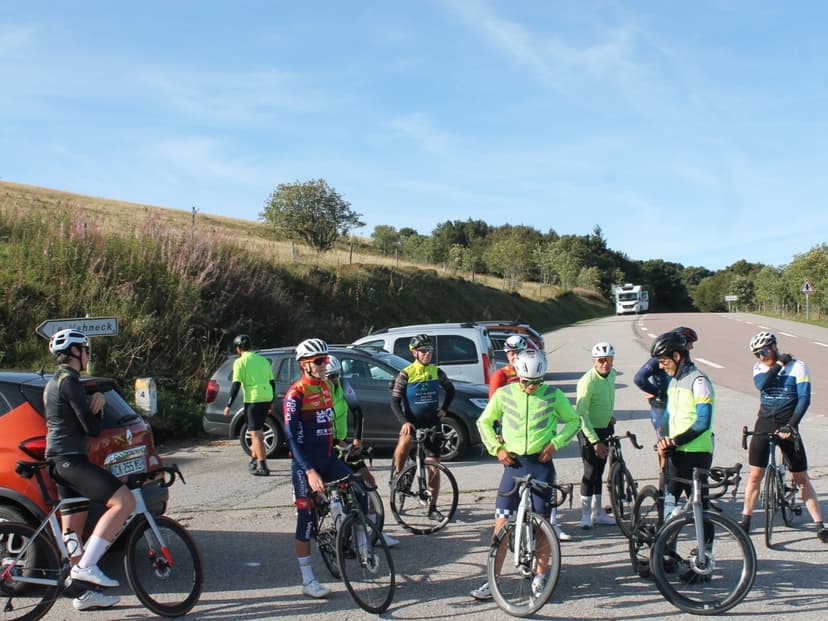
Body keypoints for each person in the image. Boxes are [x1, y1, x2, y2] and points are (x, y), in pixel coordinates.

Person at [470, 349, 579, 601]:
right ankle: (492, 580)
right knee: (500, 526)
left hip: (541, 464)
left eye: (537, 381)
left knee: (544, 524)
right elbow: (484, 422)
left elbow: (574, 421)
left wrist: (556, 444)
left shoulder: (554, 395)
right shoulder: (504, 394)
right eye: (526, 381)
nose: (532, 386)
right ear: (518, 376)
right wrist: (497, 449)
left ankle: (540, 577)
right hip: (514, 464)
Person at [44, 329, 135, 612]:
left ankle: (83, 595)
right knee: (124, 502)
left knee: (73, 529)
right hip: (72, 460)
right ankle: (86, 567)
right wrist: (97, 404)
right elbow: (92, 429)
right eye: (85, 349)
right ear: (74, 352)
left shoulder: (53, 382)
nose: (87, 355)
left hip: (59, 462)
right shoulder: (69, 382)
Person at [738, 331, 828, 541]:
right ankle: (745, 520)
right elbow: (763, 385)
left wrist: (791, 425)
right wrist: (778, 364)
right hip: (765, 421)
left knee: (801, 478)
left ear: (774, 346)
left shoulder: (799, 367)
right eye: (757, 354)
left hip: (789, 423)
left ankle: (819, 525)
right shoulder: (760, 367)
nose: (761, 357)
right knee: (754, 476)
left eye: (764, 351)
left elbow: (804, 400)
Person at [284, 338, 353, 599]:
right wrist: (310, 471)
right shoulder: (296, 394)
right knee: (305, 521)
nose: (326, 365)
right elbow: (291, 438)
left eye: (326, 359)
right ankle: (308, 579)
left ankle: (355, 540)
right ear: (305, 365)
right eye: (320, 361)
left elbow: (328, 426)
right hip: (306, 466)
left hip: (328, 457)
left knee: (357, 485)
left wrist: (343, 444)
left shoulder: (326, 387)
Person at [326, 356, 399, 547]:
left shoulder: (343, 384)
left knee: (368, 481)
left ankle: (376, 531)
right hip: (327, 443)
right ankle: (340, 529)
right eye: (329, 376)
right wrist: (339, 442)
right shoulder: (319, 392)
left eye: (335, 375)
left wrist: (357, 440)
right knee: (338, 489)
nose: (333, 379)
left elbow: (357, 412)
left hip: (344, 442)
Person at [650, 331, 715, 528]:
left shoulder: (699, 381)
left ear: (677, 356)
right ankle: (666, 555)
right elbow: (669, 416)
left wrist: (675, 441)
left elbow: (703, 422)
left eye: (664, 361)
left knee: (700, 509)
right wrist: (663, 439)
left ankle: (707, 554)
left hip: (696, 453)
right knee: (667, 509)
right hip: (675, 453)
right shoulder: (674, 381)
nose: (661, 366)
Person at [390, 334, 455, 522]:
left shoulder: (437, 371)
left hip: (432, 423)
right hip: (411, 421)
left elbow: (450, 390)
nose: (427, 354)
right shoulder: (406, 373)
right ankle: (399, 474)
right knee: (405, 441)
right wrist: (404, 422)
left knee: (434, 466)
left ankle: (432, 507)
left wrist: (444, 409)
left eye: (430, 351)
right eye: (423, 351)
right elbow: (394, 401)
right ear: (414, 353)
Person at [576, 342, 618, 529]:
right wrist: (594, 441)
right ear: (594, 361)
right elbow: (582, 413)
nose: (605, 364)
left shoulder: (612, 375)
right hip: (589, 431)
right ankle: (585, 514)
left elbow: (605, 400)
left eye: (608, 360)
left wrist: (609, 416)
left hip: (604, 428)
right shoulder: (587, 381)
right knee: (590, 472)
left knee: (600, 471)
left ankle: (598, 512)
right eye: (601, 360)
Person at [224, 334, 275, 476]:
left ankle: (263, 466)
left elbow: (236, 384)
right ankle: (254, 458)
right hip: (266, 397)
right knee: (257, 432)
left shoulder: (240, 362)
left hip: (252, 400)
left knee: (256, 434)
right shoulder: (263, 360)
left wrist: (229, 405)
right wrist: (270, 401)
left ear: (238, 348)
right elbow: (272, 382)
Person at [634, 326, 698, 438]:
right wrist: (658, 392)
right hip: (661, 405)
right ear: (681, 343)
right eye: (690, 343)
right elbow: (639, 378)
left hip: (676, 404)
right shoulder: (659, 359)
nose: (692, 347)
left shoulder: (682, 359)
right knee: (664, 441)